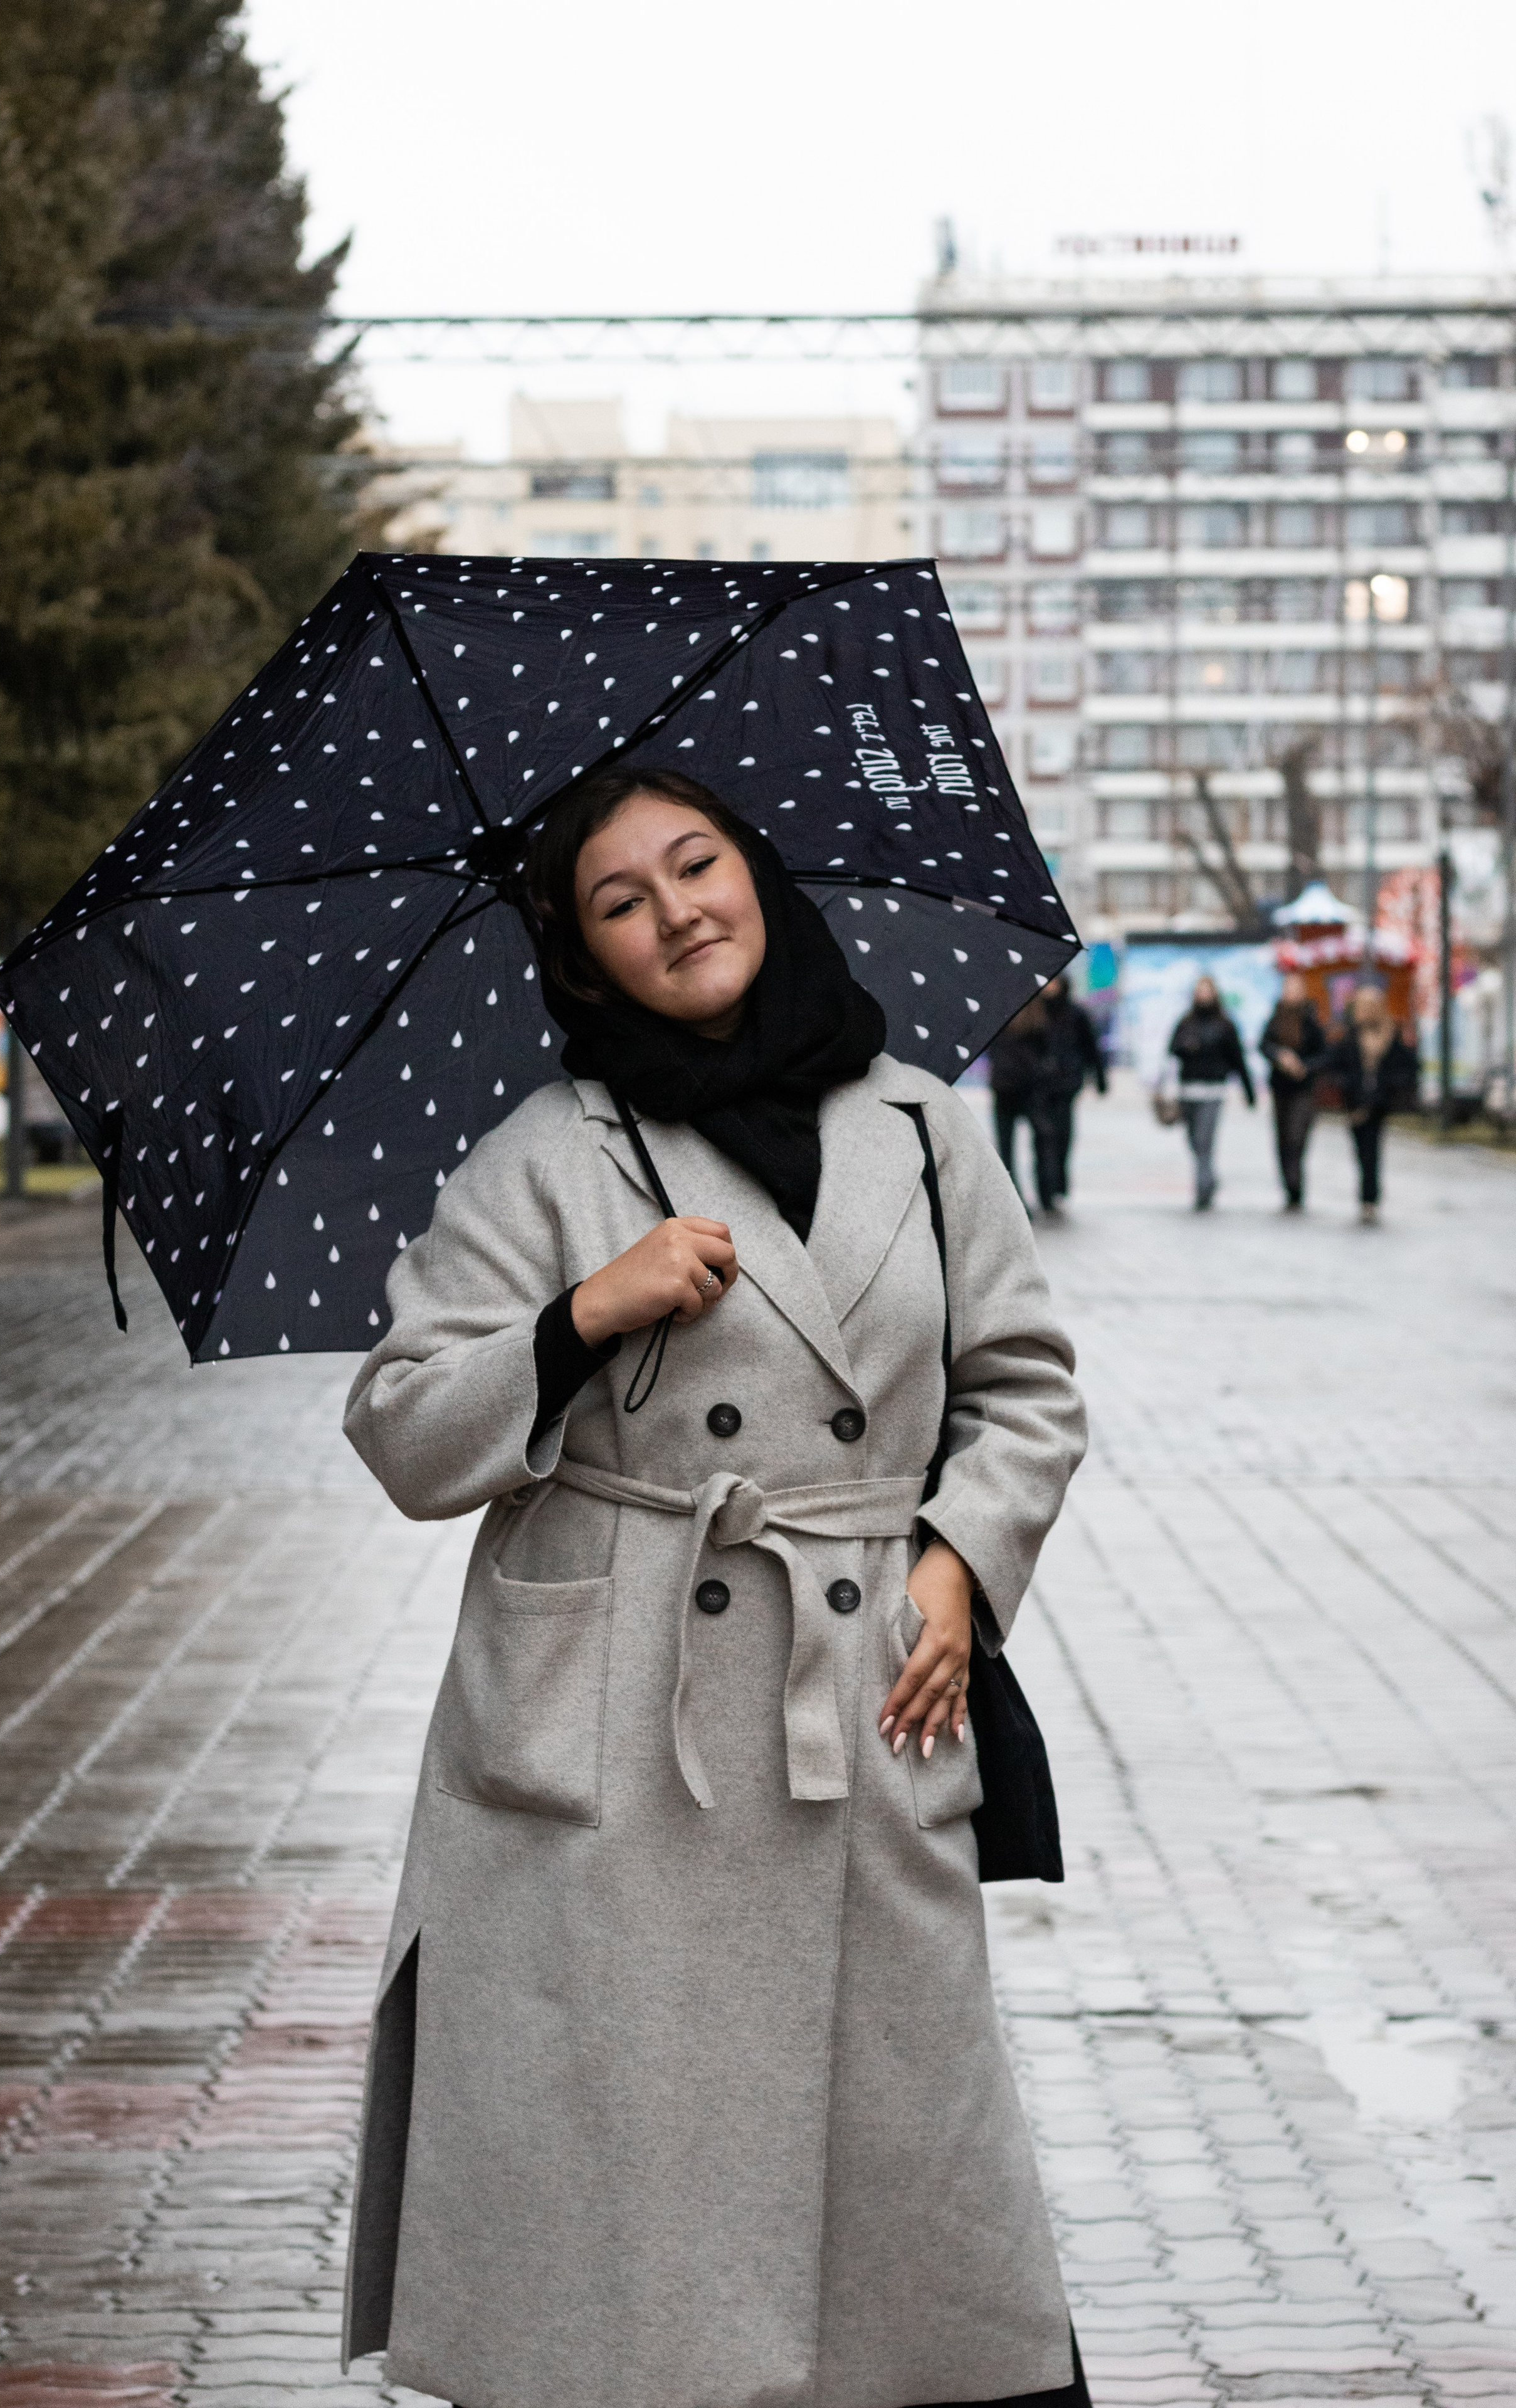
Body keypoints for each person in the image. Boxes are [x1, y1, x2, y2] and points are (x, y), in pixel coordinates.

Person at [340, 768, 1093, 2408]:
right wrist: (580, 1317)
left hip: (865, 1696)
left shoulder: (918, 1123)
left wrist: (958, 1564)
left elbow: (1025, 1390)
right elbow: (402, 1431)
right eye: (622, 900)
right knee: (634, 2217)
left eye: (698, 864)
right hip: (619, 1725)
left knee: (913, 2204)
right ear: (583, 954)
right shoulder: (547, 1156)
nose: (677, 911)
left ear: (757, 871)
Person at [1319, 983, 1418, 1225]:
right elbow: (1335, 1064)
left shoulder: (1391, 1033)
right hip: (1355, 1102)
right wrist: (1346, 1086)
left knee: (1372, 1149)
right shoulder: (1350, 1035)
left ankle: (1370, 1197)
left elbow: (1407, 1066)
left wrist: (1390, 1086)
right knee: (1361, 1150)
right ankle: (1368, 1195)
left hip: (1379, 1102)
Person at [1165, 974, 1256, 1210]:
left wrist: (1249, 1091)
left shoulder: (1225, 1025)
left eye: (1208, 990)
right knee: (1194, 1141)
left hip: (1213, 1091)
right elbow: (1172, 1049)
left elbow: (1237, 1059)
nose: (1204, 995)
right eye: (1200, 990)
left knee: (1205, 1141)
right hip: (1188, 1090)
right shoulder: (1186, 1022)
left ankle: (1203, 1190)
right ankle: (1209, 1178)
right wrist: (1186, 1048)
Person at [1034, 974, 1107, 1210]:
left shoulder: (1076, 1013)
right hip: (1039, 1085)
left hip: (1067, 1084)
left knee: (1063, 1135)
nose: (1050, 988)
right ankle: (1045, 1189)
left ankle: (1059, 1184)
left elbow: (1091, 1047)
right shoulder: (1034, 1013)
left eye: (1054, 983)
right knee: (1043, 1137)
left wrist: (1100, 1079)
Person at [1257, 971, 1327, 1211]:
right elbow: (1264, 1045)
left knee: (1297, 1137)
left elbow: (1324, 1054)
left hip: (1304, 1089)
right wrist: (1280, 1056)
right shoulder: (1276, 1018)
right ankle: (1289, 1186)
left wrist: (1304, 1067)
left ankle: (1296, 1186)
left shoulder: (1311, 1020)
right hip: (1280, 1088)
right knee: (1283, 1139)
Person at [987, 990, 1050, 1205]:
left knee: (1009, 1148)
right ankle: (1040, 1195)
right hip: (1020, 1088)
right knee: (1036, 1143)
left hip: (1014, 1088)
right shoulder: (1037, 1012)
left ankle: (1019, 1199)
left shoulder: (1002, 1016)